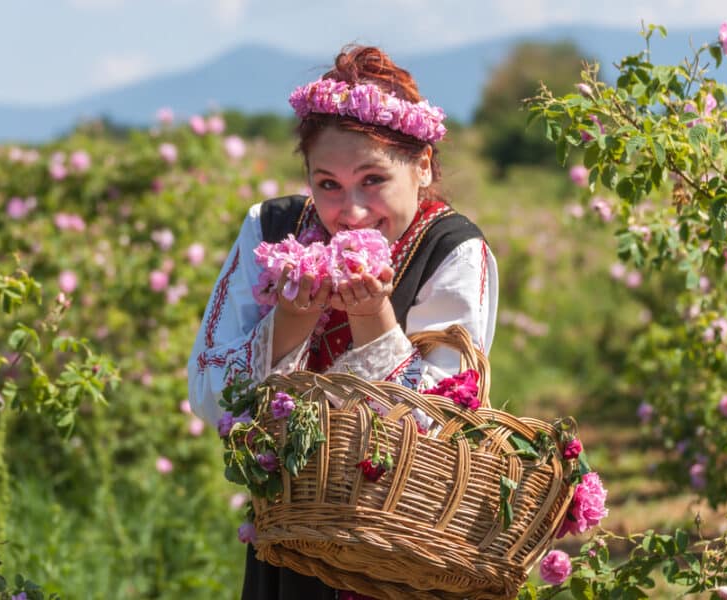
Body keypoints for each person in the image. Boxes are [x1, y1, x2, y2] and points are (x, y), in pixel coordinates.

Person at [187, 45, 499, 600]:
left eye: (373, 180)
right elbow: (211, 393)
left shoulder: (452, 248)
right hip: (290, 536)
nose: (351, 211)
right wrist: (291, 318)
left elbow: (444, 426)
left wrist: (372, 314)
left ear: (422, 164)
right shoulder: (272, 227)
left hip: (402, 542)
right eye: (327, 183)